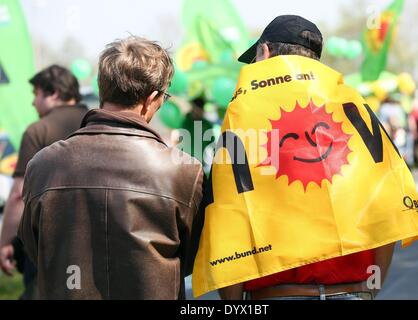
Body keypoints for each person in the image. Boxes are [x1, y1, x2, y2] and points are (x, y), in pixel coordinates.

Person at [216, 15, 397, 301]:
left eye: (255, 59)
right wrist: (371, 286)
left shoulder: (243, 114)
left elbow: (228, 215)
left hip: (277, 295)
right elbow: (390, 205)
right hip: (351, 293)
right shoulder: (355, 108)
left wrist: (233, 303)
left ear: (264, 52)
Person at [18, 36, 204, 300]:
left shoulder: (43, 164)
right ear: (152, 98)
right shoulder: (183, 170)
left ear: (102, 88)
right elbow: (189, 256)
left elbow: (35, 247)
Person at [0, 65, 88, 299]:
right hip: (98, 241)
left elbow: (20, 194)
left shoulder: (38, 130)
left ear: (54, 93)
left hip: (47, 246)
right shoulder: (98, 123)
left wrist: (6, 241)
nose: (32, 103)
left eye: (35, 94)